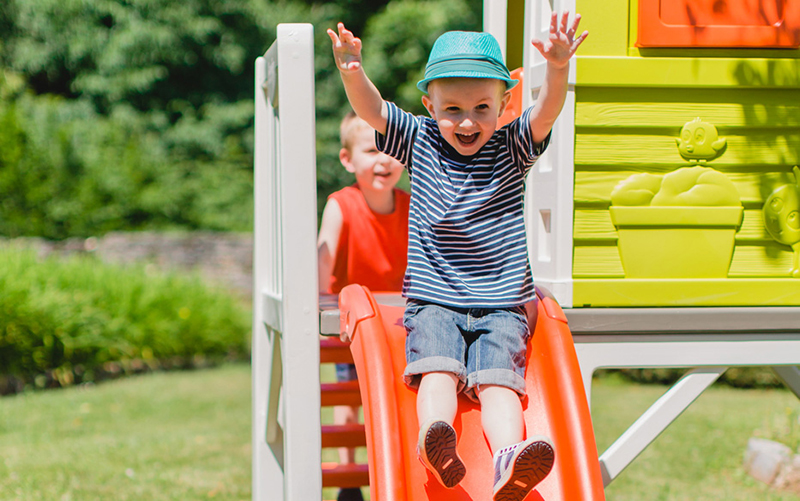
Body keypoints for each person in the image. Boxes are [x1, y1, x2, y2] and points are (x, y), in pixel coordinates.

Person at [328, 11, 587, 501]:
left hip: (502, 303)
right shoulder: (422, 139)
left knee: (499, 385)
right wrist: (351, 70)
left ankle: (509, 456)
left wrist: (557, 69)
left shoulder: (512, 146)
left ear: (503, 104)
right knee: (439, 369)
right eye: (452, 109)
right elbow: (374, 112)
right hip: (434, 298)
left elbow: (548, 112)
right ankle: (436, 439)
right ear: (430, 105)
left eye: (482, 108)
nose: (467, 121)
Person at [317, 112, 410, 501]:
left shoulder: (411, 205)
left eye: (391, 150)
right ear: (347, 160)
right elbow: (323, 258)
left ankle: (395, 468)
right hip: (351, 319)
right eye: (372, 150)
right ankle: (349, 476)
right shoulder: (341, 204)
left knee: (393, 396)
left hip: (396, 321)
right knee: (349, 395)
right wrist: (322, 308)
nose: (383, 160)